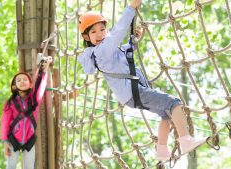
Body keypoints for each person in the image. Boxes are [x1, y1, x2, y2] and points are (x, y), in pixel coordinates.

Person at [77, 0, 206, 161]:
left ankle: (162, 151)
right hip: (133, 92)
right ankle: (185, 140)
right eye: (94, 32)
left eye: (102, 29)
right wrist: (131, 8)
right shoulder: (101, 51)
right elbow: (118, 32)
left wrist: (133, 41)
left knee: (166, 114)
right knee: (174, 103)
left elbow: (124, 52)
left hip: (131, 94)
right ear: (86, 37)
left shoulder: (107, 51)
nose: (100, 34)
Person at [0, 59, 51, 169]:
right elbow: (5, 123)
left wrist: (44, 70)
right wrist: (5, 141)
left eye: (25, 80)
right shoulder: (10, 103)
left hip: (29, 139)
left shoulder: (34, 99)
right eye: (19, 80)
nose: (22, 81)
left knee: (29, 167)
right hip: (13, 139)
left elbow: (40, 86)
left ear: (30, 84)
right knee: (11, 166)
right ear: (14, 86)